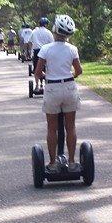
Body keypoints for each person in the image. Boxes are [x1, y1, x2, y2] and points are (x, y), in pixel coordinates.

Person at [34, 15, 83, 172]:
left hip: (52, 89)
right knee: (71, 127)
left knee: (52, 128)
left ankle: (53, 163)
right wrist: (70, 76)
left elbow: (37, 72)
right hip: (69, 87)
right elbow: (79, 71)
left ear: (54, 30)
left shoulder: (46, 49)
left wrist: (47, 77)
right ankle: (72, 162)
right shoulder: (72, 49)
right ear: (68, 34)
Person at [30, 17, 54, 90]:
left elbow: (31, 41)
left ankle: (37, 85)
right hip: (46, 51)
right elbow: (52, 43)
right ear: (46, 24)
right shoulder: (48, 32)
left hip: (37, 51)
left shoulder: (34, 31)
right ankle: (45, 84)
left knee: (37, 69)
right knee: (47, 68)